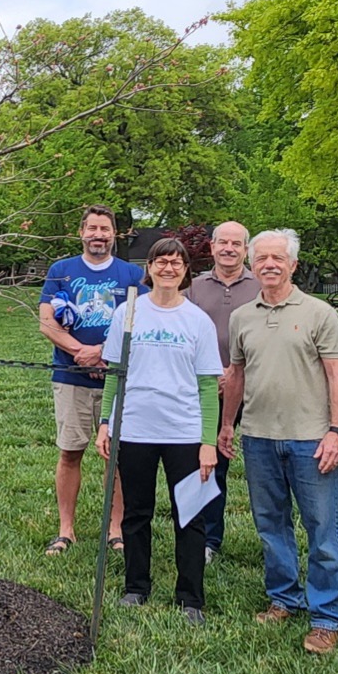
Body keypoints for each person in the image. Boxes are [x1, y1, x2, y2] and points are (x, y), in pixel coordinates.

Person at [224, 229, 338, 655]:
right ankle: (284, 597)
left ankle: (327, 617)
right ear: (251, 264)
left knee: (323, 530)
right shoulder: (242, 316)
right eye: (261, 259)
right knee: (270, 525)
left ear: (293, 265)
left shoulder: (319, 313)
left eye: (278, 258)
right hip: (258, 437)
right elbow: (236, 376)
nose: (269, 265)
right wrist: (227, 426)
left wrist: (336, 431)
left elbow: (337, 374)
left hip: (310, 439)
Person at [95, 237, 221, 619]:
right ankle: (136, 586)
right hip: (135, 429)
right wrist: (105, 422)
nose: (169, 268)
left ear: (186, 271)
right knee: (136, 512)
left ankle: (190, 598)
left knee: (191, 516)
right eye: (161, 262)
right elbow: (114, 374)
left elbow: (207, 386)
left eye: (176, 263)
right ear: (149, 269)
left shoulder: (197, 320)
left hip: (184, 432)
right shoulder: (128, 314)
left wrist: (208, 442)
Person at [39, 205, 145, 557]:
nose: (98, 235)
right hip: (71, 377)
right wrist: (81, 352)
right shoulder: (61, 271)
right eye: (92, 228)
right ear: (80, 232)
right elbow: (46, 322)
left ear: (115, 234)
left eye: (105, 229)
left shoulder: (131, 274)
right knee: (71, 451)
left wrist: (102, 352)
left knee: (115, 455)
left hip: (117, 377)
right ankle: (65, 529)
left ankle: (115, 529)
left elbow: (140, 322)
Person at [187, 220, 260, 563]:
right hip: (207, 390)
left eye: (237, 244)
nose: (229, 249)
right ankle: (206, 539)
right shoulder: (195, 287)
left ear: (246, 250)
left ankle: (274, 538)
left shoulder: (262, 284)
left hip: (258, 390)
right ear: (212, 247)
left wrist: (236, 373)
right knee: (207, 464)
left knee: (264, 467)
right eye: (223, 243)